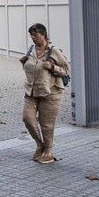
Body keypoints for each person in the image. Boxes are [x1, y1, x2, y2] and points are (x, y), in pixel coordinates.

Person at [19, 23, 71, 164]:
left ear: (44, 35)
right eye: (31, 35)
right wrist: (24, 63)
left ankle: (48, 151)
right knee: (27, 118)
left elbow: (66, 70)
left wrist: (52, 67)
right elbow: (32, 68)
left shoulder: (54, 51)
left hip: (51, 92)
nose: (33, 38)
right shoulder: (31, 50)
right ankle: (39, 144)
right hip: (31, 91)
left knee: (46, 124)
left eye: (36, 35)